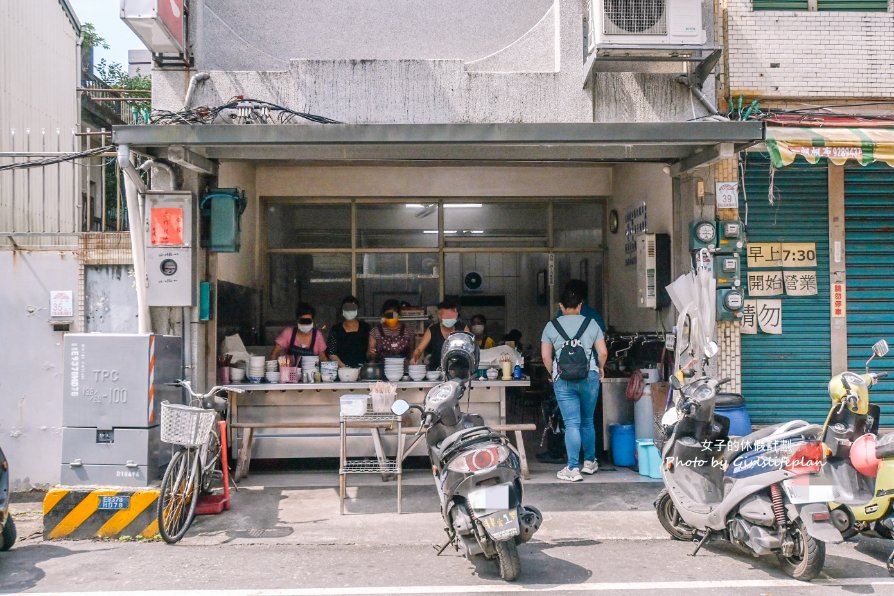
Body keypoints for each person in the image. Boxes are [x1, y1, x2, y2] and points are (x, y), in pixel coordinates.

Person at [541, 286, 608, 482]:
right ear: (580, 305)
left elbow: (546, 356)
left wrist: (553, 372)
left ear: (561, 306)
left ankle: (572, 468)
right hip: (590, 377)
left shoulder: (551, 326)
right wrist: (601, 367)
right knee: (587, 421)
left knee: (572, 423)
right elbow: (602, 352)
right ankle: (589, 462)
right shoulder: (592, 323)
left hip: (563, 379)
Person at [411, 299, 470, 369]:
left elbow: (470, 347)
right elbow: (419, 349)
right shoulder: (432, 330)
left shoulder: (463, 328)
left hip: (460, 371)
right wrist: (415, 356)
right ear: (439, 316)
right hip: (436, 372)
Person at [326, 296, 371, 368]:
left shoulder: (365, 328)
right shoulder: (336, 329)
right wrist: (345, 368)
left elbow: (370, 351)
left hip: (363, 370)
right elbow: (332, 353)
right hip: (343, 372)